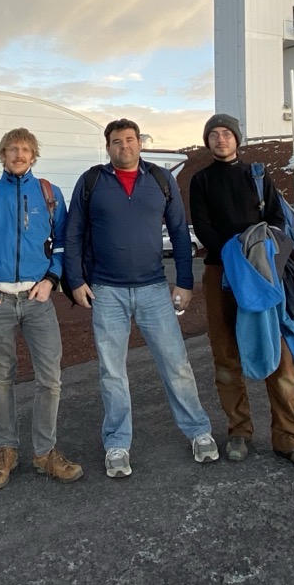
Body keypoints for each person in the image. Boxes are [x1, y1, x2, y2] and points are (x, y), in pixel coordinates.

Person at [63, 118, 219, 478]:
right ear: (108, 147)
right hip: (106, 292)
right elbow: (74, 234)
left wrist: (184, 282)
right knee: (112, 372)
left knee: (176, 365)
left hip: (154, 290)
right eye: (117, 142)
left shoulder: (161, 181)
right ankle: (118, 443)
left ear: (140, 143)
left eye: (130, 140)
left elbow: (180, 233)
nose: (125, 147)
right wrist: (75, 281)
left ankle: (198, 432)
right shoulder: (91, 182)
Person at [0, 127, 83, 489]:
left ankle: (45, 452)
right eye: (12, 149)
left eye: (25, 150)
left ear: (34, 155)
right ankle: (6, 449)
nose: (19, 155)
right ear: (3, 155)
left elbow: (63, 245)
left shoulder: (49, 194)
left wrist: (51, 280)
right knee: (1, 377)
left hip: (38, 301)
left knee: (50, 378)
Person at [187, 113, 294, 471]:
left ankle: (289, 439)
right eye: (213, 134)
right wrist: (235, 259)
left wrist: (254, 253)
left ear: (237, 139)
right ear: (207, 141)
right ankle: (239, 431)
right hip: (221, 276)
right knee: (226, 356)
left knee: (279, 356)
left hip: (263, 275)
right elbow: (203, 227)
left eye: (226, 133)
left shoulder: (258, 176)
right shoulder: (200, 181)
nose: (220, 139)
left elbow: (279, 221)